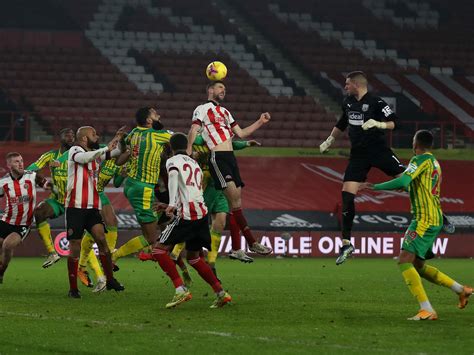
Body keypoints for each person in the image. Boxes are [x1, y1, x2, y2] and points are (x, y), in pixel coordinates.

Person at [360, 130, 472, 320]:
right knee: (418, 265)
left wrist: (375, 186)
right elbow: (408, 184)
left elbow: (404, 180)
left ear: (415, 144)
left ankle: (426, 309)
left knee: (404, 260)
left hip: (424, 219)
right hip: (434, 217)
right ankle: (461, 290)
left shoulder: (418, 160)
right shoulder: (434, 163)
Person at [319, 71, 405, 265]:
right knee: (347, 195)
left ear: (357, 84)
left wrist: (379, 124)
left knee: (410, 182)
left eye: (347, 84)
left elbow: (397, 123)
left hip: (379, 151)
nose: (345, 87)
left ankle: (438, 214)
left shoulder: (377, 103)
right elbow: (342, 123)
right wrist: (329, 140)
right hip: (358, 155)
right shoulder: (348, 102)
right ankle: (347, 243)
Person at [186, 80, 272, 258]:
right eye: (220, 87)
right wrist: (188, 151)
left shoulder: (225, 112)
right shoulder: (202, 108)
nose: (223, 90)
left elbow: (241, 133)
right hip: (218, 158)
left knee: (237, 204)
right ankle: (251, 243)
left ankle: (239, 247)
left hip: (231, 158)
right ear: (210, 90)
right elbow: (194, 129)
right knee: (233, 201)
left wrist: (260, 122)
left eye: (225, 88)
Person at [151, 133, 232, 308]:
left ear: (171, 148)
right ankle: (220, 293)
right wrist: (168, 204)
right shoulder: (194, 163)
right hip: (201, 212)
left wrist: (171, 204)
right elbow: (189, 189)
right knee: (194, 257)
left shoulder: (172, 161)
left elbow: (173, 178)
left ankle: (181, 290)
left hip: (186, 214)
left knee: (158, 251)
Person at [65, 126, 126, 298]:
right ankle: (73, 288)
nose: (97, 136)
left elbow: (117, 152)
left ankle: (110, 280)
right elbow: (85, 158)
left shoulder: (95, 155)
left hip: (92, 207)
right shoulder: (75, 150)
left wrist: (122, 139)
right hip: (75, 207)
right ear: (84, 138)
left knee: (101, 239)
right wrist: (107, 147)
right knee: (75, 246)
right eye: (93, 134)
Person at [112, 107, 172, 263]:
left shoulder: (134, 133)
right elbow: (182, 140)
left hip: (133, 184)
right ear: (149, 120)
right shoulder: (158, 135)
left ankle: (127, 255)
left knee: (152, 228)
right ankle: (114, 257)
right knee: (152, 238)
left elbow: (124, 144)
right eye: (154, 113)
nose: (158, 114)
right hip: (143, 188)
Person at [0, 153, 53, 283]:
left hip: (23, 224)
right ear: (9, 165)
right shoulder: (3, 182)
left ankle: (1, 271)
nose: (20, 164)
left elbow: (45, 184)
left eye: (21, 161)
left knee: (7, 245)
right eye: (16, 161)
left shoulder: (32, 176)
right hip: (6, 220)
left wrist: (50, 185)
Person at [28, 128, 75, 268]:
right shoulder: (51, 156)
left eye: (73, 135)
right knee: (39, 212)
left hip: (76, 202)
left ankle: (90, 267)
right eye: (67, 135)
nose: (71, 137)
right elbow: (31, 169)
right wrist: (44, 182)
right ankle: (52, 253)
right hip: (58, 200)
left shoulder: (79, 155)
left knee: (78, 239)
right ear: (60, 138)